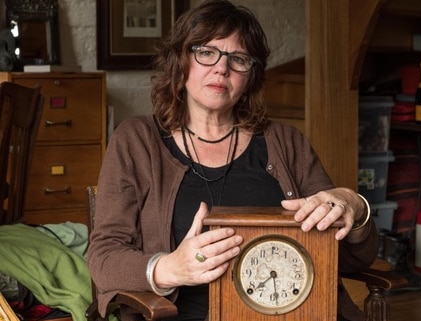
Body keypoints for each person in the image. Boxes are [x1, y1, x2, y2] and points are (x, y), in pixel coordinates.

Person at [87, 1, 378, 321]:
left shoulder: (287, 142)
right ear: (180, 61)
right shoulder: (136, 140)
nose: (221, 68)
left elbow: (352, 258)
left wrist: (355, 206)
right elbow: (104, 257)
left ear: (251, 74)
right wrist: (170, 268)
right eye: (207, 52)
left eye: (238, 58)